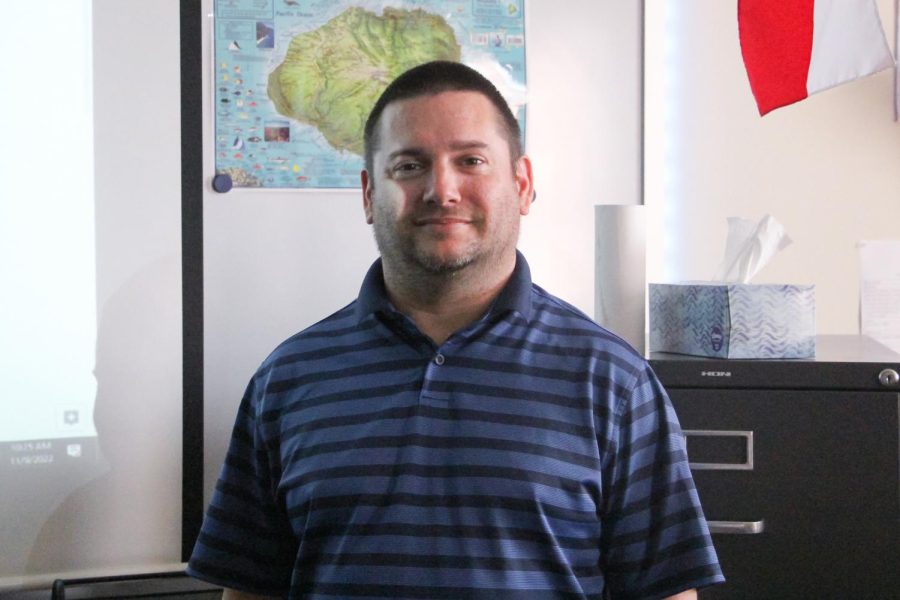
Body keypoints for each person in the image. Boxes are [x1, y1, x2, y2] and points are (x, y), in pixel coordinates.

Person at [188, 61, 723, 599]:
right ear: (370, 194)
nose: (441, 190)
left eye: (470, 160)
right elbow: (248, 589)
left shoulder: (613, 381)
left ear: (522, 184)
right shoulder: (288, 378)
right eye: (409, 165)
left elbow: (666, 591)